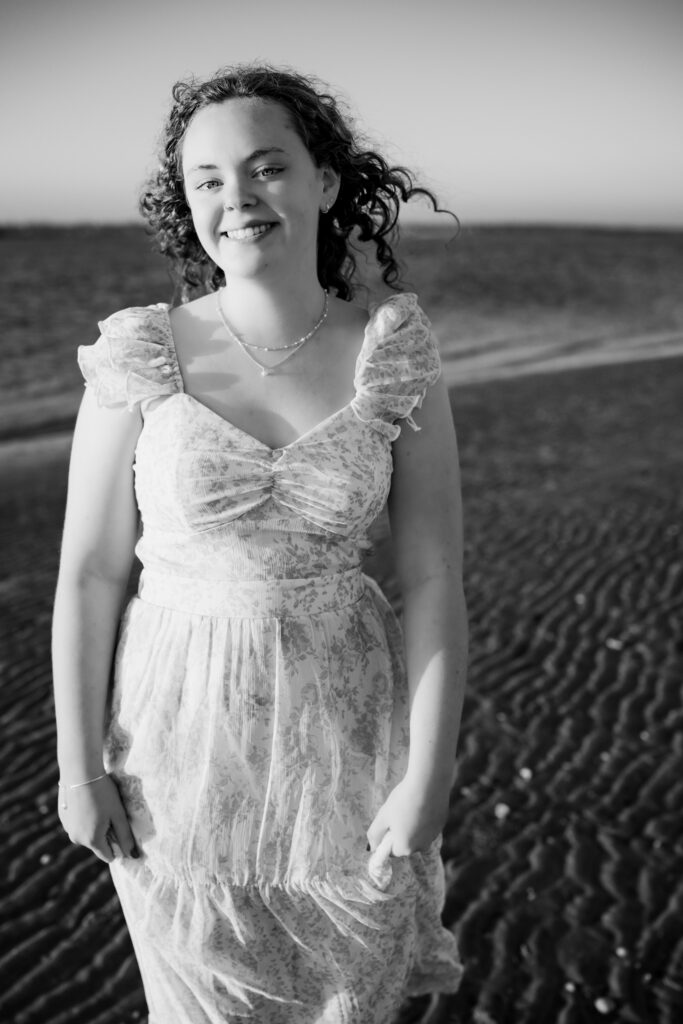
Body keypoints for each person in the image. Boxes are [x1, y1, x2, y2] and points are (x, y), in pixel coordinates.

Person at [52, 64, 468, 1024]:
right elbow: (90, 574)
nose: (234, 199)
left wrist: (427, 777)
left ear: (324, 182)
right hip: (173, 755)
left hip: (346, 752)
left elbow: (435, 578)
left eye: (265, 167)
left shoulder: (394, 352)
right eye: (206, 179)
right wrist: (79, 769)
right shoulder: (140, 353)